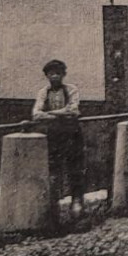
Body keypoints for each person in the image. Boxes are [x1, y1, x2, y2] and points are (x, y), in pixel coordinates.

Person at [32, 59, 85, 214]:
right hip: (53, 135)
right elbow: (36, 114)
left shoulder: (71, 89)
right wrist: (61, 114)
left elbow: (73, 111)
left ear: (63, 75)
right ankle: (53, 204)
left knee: (75, 167)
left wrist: (48, 114)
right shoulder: (43, 92)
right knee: (53, 168)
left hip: (72, 133)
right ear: (47, 76)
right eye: (51, 74)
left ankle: (77, 202)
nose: (55, 76)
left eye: (58, 73)